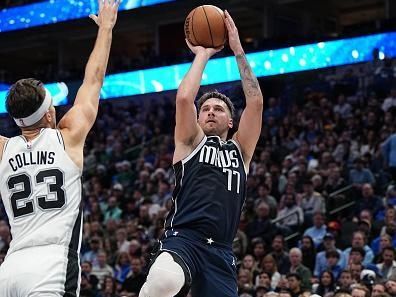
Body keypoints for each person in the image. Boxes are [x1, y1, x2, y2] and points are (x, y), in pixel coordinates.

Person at [139, 10, 263, 297]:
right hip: (184, 238)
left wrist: (237, 48)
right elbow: (184, 98)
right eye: (205, 108)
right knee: (161, 284)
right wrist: (203, 54)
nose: (210, 112)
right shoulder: (190, 142)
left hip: (220, 250)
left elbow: (255, 102)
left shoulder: (240, 150)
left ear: (231, 122)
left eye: (218, 109)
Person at [0, 1, 119, 296]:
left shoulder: (3, 150)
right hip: (53, 264)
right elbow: (94, 80)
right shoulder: (68, 136)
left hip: (10, 267)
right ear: (50, 113)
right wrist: (105, 28)